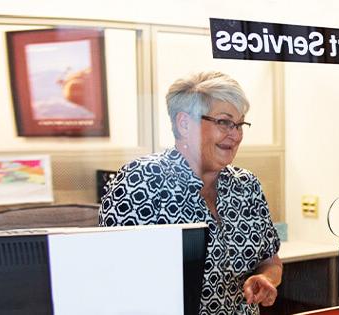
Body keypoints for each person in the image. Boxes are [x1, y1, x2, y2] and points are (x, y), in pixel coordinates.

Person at [100, 71, 281, 314]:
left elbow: (270, 260)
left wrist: (266, 279)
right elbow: (116, 278)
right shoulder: (140, 181)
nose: (236, 135)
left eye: (239, 124)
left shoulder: (246, 185)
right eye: (224, 122)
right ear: (184, 124)